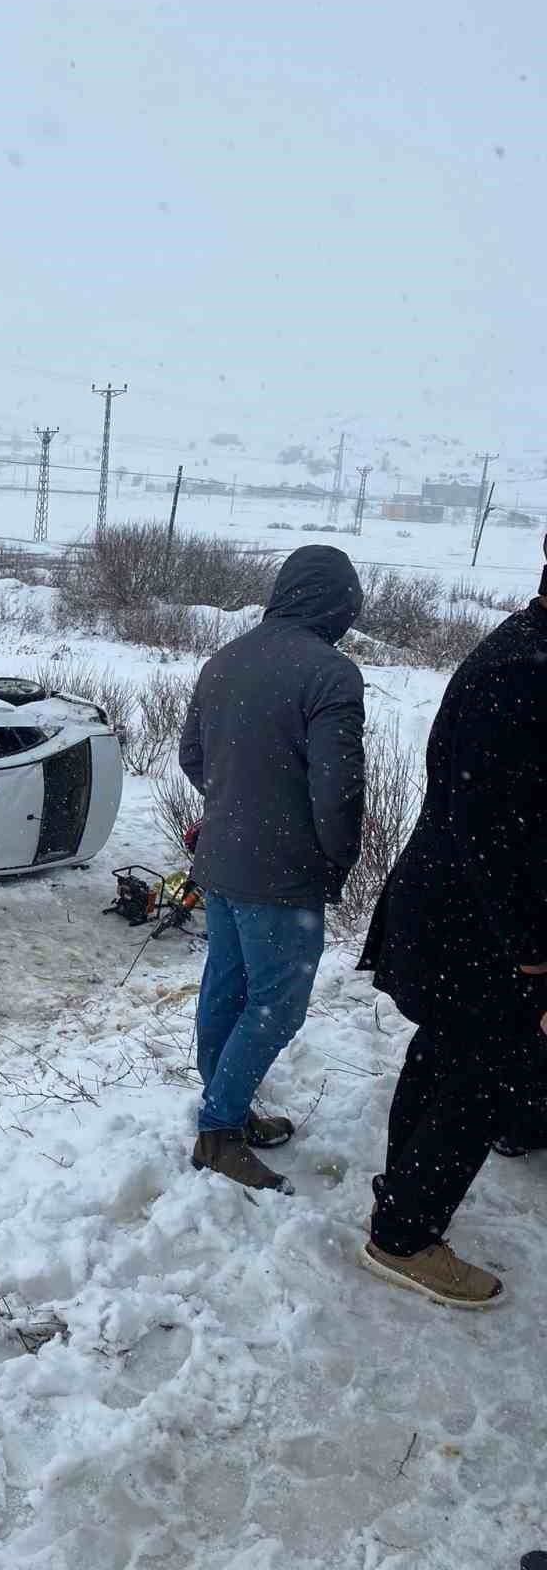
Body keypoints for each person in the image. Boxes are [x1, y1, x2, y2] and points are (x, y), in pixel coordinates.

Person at [357, 546, 547, 1308]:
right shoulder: (526, 673)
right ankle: (404, 1235)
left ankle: (402, 1196)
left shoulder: (525, 651)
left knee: (447, 1057)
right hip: (478, 925)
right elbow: (501, 835)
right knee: (481, 1078)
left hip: (464, 916)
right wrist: (535, 958)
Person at [179, 544, 365, 1194]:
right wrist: (335, 857)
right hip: (283, 874)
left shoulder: (225, 659)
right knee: (276, 1007)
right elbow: (337, 794)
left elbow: (192, 755)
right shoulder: (331, 674)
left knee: (226, 992)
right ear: (340, 603)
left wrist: (236, 803)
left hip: (223, 863)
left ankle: (224, 1107)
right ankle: (220, 1130)